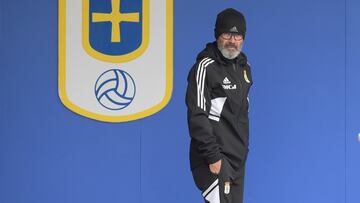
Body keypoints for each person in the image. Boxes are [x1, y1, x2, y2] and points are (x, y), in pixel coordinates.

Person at [186, 8, 253, 203]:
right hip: (214, 158)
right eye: (227, 34)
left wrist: (243, 151)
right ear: (217, 35)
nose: (232, 41)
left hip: (237, 160)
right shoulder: (205, 68)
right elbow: (196, 116)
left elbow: (241, 115)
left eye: (237, 35)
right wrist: (213, 156)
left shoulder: (245, 69)